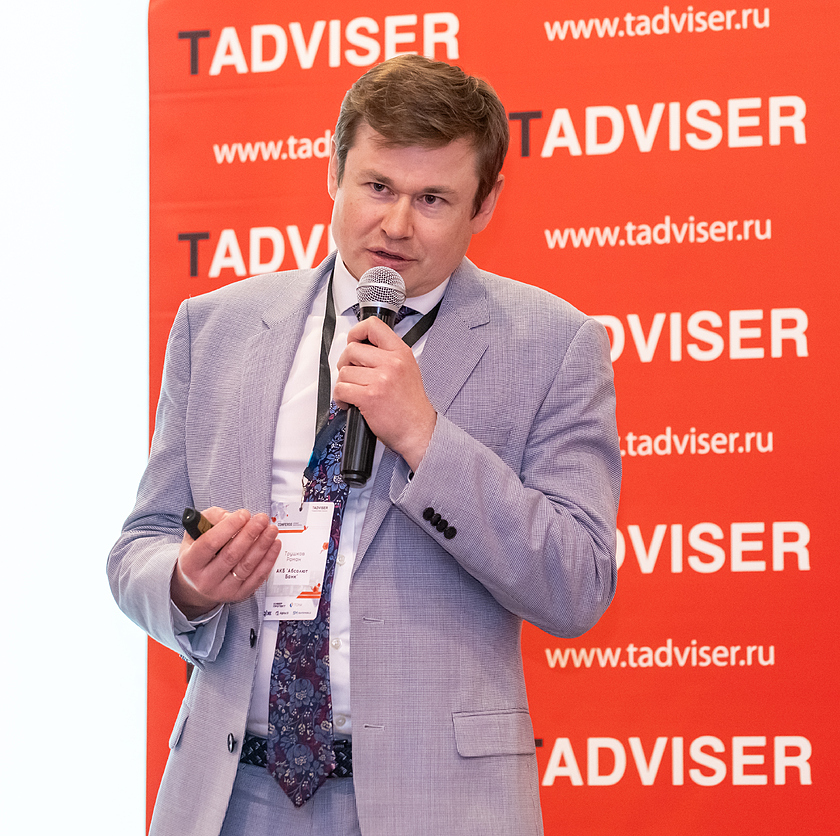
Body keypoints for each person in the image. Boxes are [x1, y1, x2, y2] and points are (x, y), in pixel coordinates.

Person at [109, 54, 621, 836]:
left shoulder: (553, 346)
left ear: (485, 204)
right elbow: (139, 547)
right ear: (334, 172)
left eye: (433, 199)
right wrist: (188, 583)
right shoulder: (215, 328)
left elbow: (576, 583)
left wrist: (425, 437)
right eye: (378, 187)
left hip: (438, 802)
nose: (397, 225)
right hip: (233, 795)